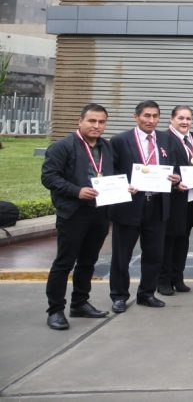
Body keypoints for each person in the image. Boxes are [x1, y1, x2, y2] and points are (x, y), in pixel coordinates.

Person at [42, 103, 114, 330]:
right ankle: (55, 311)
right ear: (80, 121)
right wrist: (77, 191)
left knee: (88, 261)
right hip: (73, 213)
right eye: (92, 121)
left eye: (101, 122)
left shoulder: (107, 147)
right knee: (64, 263)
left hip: (100, 212)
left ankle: (80, 303)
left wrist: (125, 187)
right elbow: (49, 177)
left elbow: (113, 174)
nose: (96, 126)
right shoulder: (62, 147)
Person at [108, 100, 182, 313]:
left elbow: (174, 169)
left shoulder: (167, 140)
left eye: (155, 116)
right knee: (122, 254)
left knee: (154, 254)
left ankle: (147, 293)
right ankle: (119, 296)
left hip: (157, 205)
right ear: (136, 117)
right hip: (129, 206)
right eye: (146, 116)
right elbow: (110, 171)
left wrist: (176, 178)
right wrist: (124, 185)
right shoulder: (120, 140)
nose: (151, 120)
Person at [159, 105, 193, 296]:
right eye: (180, 118)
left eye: (188, 118)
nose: (184, 122)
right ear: (171, 119)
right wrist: (174, 183)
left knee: (183, 240)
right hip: (172, 199)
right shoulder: (164, 139)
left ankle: (177, 278)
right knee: (168, 240)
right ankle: (163, 281)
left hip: (192, 198)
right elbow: (161, 168)